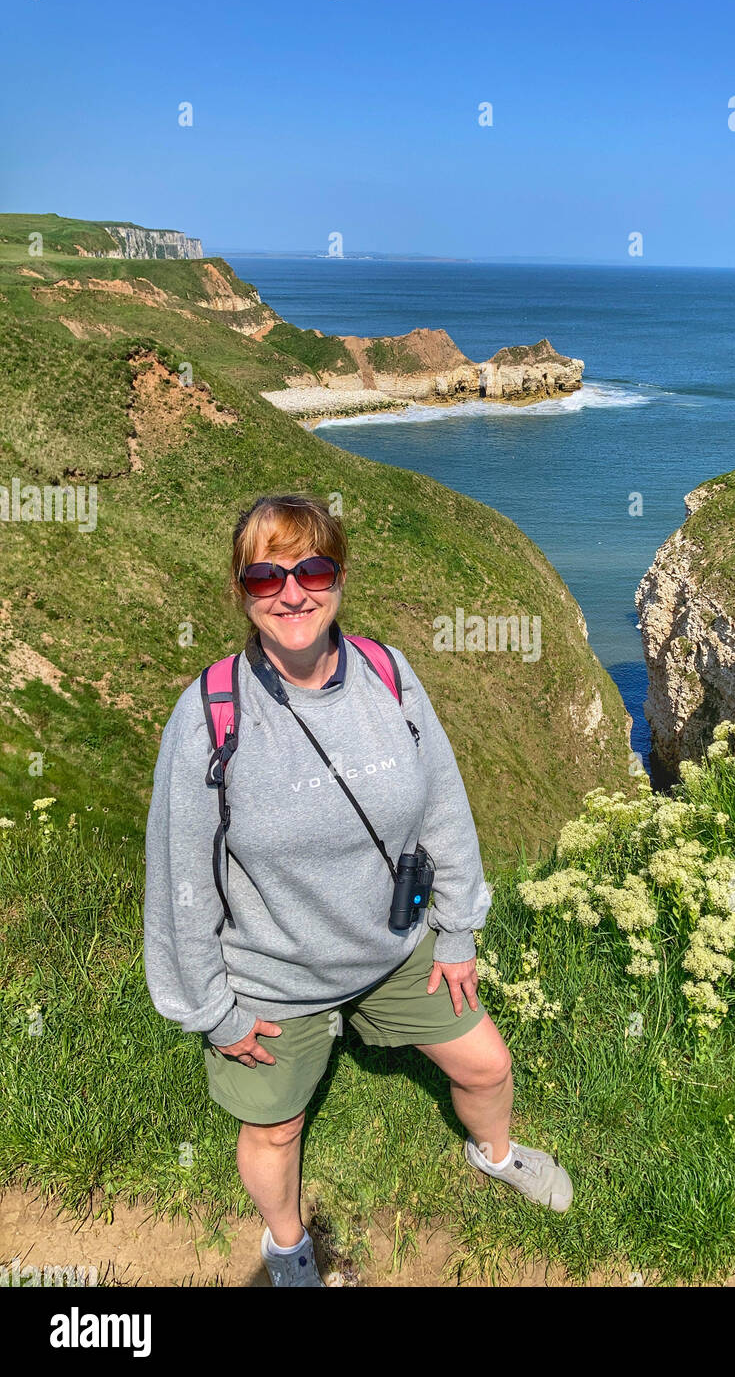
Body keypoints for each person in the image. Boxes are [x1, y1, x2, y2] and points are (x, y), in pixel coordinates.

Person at [143, 493, 572, 1287]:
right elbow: (180, 879)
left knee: (485, 1066)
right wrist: (208, 1009)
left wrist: (457, 928)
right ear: (239, 591)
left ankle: (497, 1154)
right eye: (265, 576)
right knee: (274, 1131)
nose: (292, 591)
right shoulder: (210, 715)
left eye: (312, 568)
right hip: (274, 975)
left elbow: (442, 804)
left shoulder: (386, 671)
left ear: (339, 577)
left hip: (392, 946)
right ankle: (287, 1247)